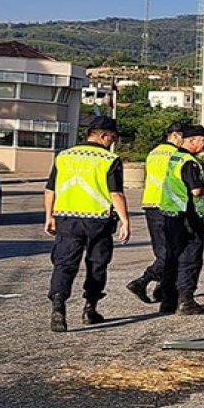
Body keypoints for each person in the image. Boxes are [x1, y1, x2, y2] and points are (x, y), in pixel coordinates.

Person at [42, 115, 131, 333]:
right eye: (113, 137)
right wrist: (125, 221)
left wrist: (49, 216)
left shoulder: (64, 156)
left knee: (64, 264)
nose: (113, 142)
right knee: (97, 265)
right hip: (97, 221)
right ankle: (90, 309)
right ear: (103, 135)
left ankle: (58, 307)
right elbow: (116, 193)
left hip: (66, 219)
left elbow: (50, 188)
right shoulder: (109, 160)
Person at [156, 125, 204, 315]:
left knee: (172, 258)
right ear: (192, 141)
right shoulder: (189, 162)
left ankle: (167, 302)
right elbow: (196, 190)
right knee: (190, 259)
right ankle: (186, 301)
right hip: (187, 217)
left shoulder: (174, 158)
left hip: (170, 214)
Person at [126, 121, 185, 303]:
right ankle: (143, 281)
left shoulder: (154, 152)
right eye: (184, 137)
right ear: (175, 135)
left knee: (164, 249)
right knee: (171, 252)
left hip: (151, 203)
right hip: (167, 204)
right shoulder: (176, 154)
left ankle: (163, 287)